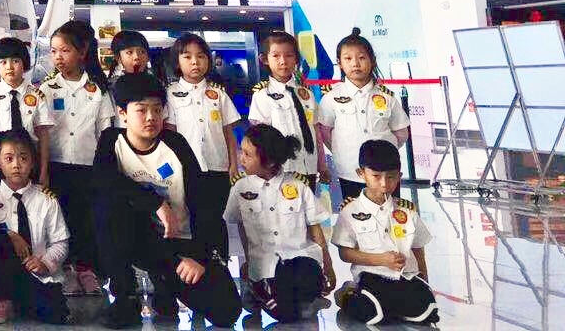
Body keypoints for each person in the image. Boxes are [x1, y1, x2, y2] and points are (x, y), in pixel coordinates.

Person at [92, 72, 242, 329]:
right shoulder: (111, 141)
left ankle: (165, 282)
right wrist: (156, 203)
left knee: (226, 311)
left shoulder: (175, 145)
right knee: (105, 206)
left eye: (157, 109)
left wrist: (201, 257)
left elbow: (203, 206)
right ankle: (126, 295)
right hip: (137, 240)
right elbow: (103, 180)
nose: (151, 117)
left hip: (179, 243)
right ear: (123, 113)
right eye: (141, 110)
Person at [224, 123, 335, 323]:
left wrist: (328, 266)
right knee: (285, 313)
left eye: (248, 155)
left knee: (306, 276)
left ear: (269, 162)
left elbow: (315, 228)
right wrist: (247, 264)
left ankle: (295, 298)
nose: (241, 159)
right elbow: (240, 228)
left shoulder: (298, 186)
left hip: (299, 259)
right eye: (242, 151)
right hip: (265, 264)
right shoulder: (240, 188)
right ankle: (263, 292)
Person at [40, 19, 112, 296]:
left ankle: (88, 271)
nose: (58, 57)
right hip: (56, 166)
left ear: (82, 52)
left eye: (65, 50)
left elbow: (105, 133)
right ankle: (66, 271)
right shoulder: (46, 90)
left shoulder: (98, 90)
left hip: (88, 168)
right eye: (54, 51)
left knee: (86, 221)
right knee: (61, 222)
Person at [332, 139, 438, 325]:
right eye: (376, 176)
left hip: (405, 276)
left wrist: (424, 280)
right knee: (373, 315)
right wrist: (381, 260)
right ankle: (348, 294)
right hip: (372, 276)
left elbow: (418, 248)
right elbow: (345, 253)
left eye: (391, 177)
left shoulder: (407, 209)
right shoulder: (350, 211)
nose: (384, 184)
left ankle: (392, 305)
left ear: (399, 176)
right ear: (361, 173)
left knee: (427, 311)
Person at [0, 129, 71, 325]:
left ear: (33, 162)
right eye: (9, 158)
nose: (16, 165)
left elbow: (60, 242)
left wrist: (45, 263)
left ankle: (21, 301)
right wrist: (8, 234)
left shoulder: (47, 200)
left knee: (58, 314)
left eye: (23, 158)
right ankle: (4, 298)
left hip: (37, 276)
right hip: (2, 279)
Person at [164, 32, 240, 261]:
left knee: (217, 217)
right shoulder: (170, 94)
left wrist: (233, 165)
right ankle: (197, 262)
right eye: (187, 57)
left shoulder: (218, 94)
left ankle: (220, 262)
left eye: (201, 56)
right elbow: (169, 134)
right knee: (193, 217)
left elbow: (228, 133)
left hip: (217, 167)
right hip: (185, 169)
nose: (195, 62)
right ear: (177, 61)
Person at [317, 29, 410, 202]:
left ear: (372, 61)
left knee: (390, 212)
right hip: (349, 170)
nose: (355, 64)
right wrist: (341, 149)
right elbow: (324, 132)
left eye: (361, 58)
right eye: (348, 59)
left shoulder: (386, 97)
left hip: (385, 173)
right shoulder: (331, 97)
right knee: (353, 213)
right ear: (339, 63)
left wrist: (383, 152)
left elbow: (401, 133)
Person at [0, 37, 53, 188]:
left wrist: (44, 170)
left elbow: (43, 135)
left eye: (15, 61)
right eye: (3, 62)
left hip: (28, 161)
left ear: (25, 63)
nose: (9, 67)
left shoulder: (37, 95)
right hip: (0, 161)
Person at [248, 30, 324, 184]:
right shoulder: (262, 96)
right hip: (281, 170)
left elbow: (316, 131)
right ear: (265, 59)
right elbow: (259, 138)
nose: (283, 61)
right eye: (276, 56)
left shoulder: (307, 94)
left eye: (289, 55)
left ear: (296, 59)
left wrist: (322, 165)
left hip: (309, 166)